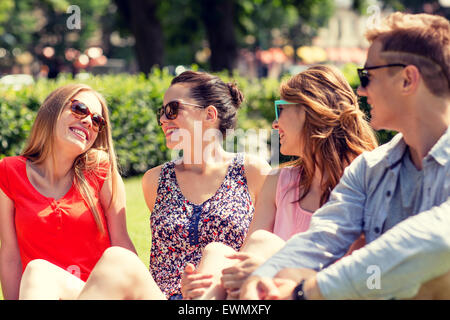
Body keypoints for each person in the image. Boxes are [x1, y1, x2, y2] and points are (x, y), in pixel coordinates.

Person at [240, 12, 450, 300]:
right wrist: (261, 279)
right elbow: (322, 237)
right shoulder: (369, 169)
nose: (361, 91)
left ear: (407, 79)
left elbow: (437, 240)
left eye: (368, 76)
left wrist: (308, 290)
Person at [180, 65, 378, 300]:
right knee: (217, 252)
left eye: (280, 109)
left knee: (264, 242)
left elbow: (365, 277)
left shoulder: (365, 179)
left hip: (317, 293)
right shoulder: (278, 181)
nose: (275, 124)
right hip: (261, 295)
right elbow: (246, 260)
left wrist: (272, 270)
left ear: (310, 110)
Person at [70, 70, 271, 300]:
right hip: (160, 296)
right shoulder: (156, 180)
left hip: (224, 296)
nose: (163, 120)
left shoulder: (251, 171)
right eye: (162, 113)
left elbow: (261, 250)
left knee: (217, 254)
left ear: (209, 115)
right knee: (117, 258)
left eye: (172, 109)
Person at [0, 84, 136, 300]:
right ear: (52, 110)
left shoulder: (101, 170)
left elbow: (122, 244)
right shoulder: (9, 172)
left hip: (97, 293)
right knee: (37, 273)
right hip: (40, 294)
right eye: (80, 109)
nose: (88, 122)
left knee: (38, 272)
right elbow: (10, 256)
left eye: (97, 121)